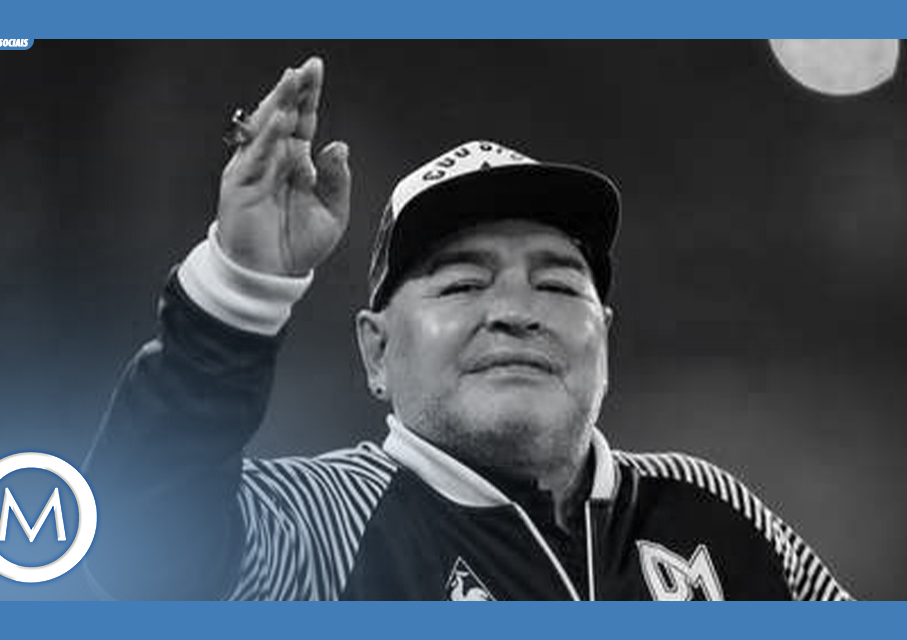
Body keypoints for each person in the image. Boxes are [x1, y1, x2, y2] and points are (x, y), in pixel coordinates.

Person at [84, 56, 852, 601]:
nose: (517, 311)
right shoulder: (326, 525)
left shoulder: (713, 515)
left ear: (604, 338)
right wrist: (240, 291)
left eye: (557, 283)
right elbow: (135, 541)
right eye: (462, 283)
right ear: (376, 351)